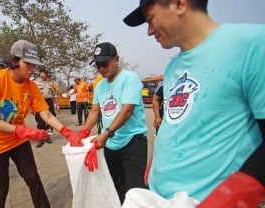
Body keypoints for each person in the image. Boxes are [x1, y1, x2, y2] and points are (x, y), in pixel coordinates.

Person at [124, 0, 265, 206]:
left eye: (150, 19)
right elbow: (178, 122)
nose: (149, 31)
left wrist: (234, 195)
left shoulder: (253, 44)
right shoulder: (173, 66)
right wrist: (156, 163)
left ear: (179, 4)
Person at [0, 39, 82, 208]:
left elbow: (45, 113)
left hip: (17, 139)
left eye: (34, 65)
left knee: (33, 177)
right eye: (28, 64)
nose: (32, 69)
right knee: (0, 188)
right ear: (15, 61)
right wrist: (28, 132)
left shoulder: (31, 86)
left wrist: (66, 131)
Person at [77, 42, 149, 204]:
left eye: (105, 63)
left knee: (135, 191)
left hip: (132, 142)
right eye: (98, 65)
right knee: (118, 188)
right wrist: (84, 131)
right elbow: (95, 111)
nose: (101, 68)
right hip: (110, 145)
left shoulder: (129, 78)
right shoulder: (100, 85)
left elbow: (127, 110)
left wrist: (107, 132)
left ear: (116, 59)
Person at [33, 68, 59, 148]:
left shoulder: (51, 82)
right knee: (40, 121)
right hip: (39, 102)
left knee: (51, 118)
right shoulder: (35, 82)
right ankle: (41, 138)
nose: (47, 74)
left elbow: (54, 95)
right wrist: (32, 107)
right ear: (40, 73)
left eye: (47, 73)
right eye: (45, 72)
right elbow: (31, 95)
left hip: (49, 102)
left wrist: (57, 105)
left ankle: (47, 136)